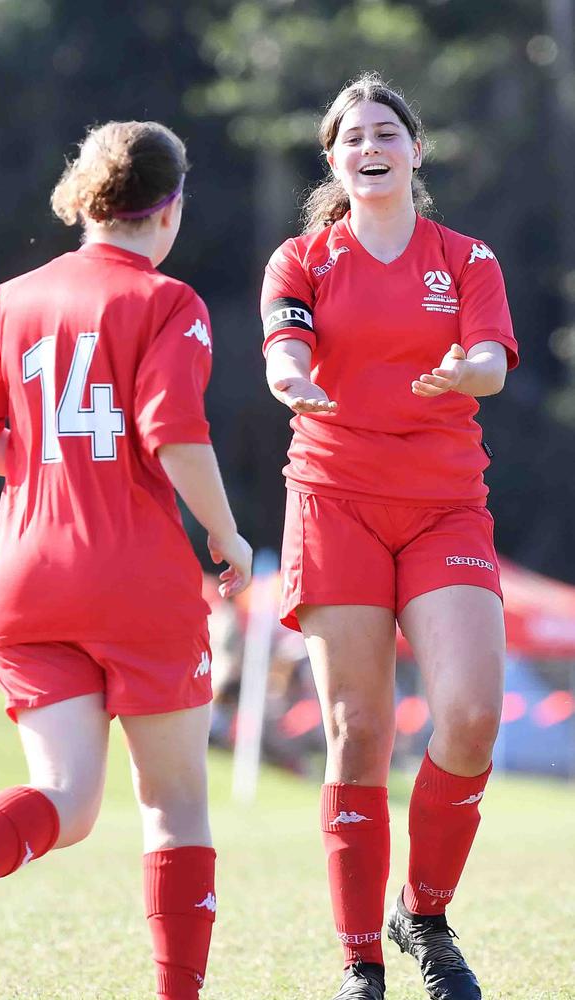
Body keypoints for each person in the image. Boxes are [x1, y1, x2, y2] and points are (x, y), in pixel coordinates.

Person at [0, 119, 252, 999]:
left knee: (66, 801)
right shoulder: (167, 302)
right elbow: (175, 433)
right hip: (136, 579)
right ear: (170, 206)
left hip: (27, 578)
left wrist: (47, 464)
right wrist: (226, 535)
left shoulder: (15, 295)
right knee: (174, 800)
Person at [260, 72, 517, 1000]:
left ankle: (426, 912)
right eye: (351, 137)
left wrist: (466, 370)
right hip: (335, 499)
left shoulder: (469, 258)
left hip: (445, 504)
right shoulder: (301, 258)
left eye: (385, 131)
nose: (369, 146)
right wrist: (294, 376)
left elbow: (489, 358)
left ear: (415, 149)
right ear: (333, 160)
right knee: (357, 728)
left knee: (472, 717)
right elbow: (284, 342)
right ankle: (362, 960)